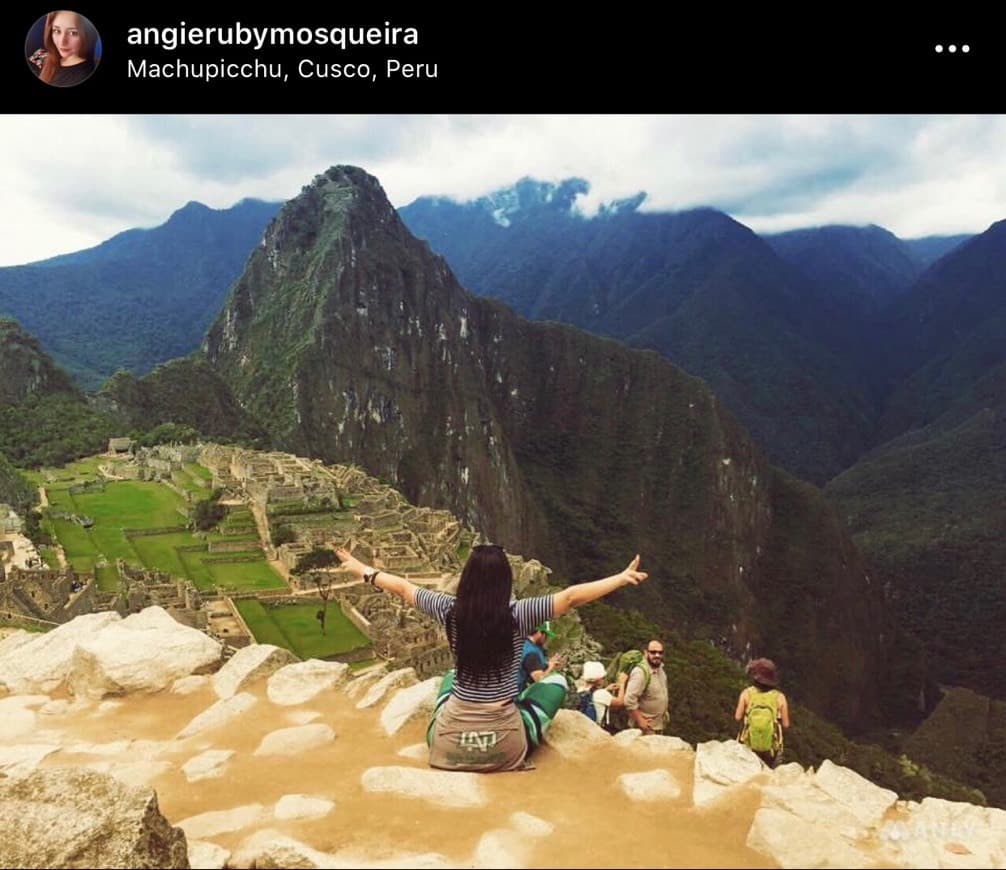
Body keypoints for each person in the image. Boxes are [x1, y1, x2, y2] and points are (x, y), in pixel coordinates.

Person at [335, 544, 648, 772]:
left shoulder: (449, 609)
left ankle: (461, 727)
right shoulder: (518, 615)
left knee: (449, 679)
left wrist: (363, 570)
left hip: (444, 745)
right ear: (505, 581)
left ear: (468, 578)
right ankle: (515, 717)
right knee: (553, 682)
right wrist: (620, 578)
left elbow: (404, 589)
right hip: (506, 747)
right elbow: (570, 597)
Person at [734, 657, 790, 768]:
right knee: (768, 778)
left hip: (748, 745)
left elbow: (737, 717)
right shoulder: (779, 697)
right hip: (771, 750)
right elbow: (786, 724)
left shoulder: (746, 693)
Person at [609, 640, 668, 734]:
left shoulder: (660, 669)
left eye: (660, 652)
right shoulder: (640, 672)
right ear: (645, 652)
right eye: (653, 652)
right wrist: (640, 720)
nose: (657, 655)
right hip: (644, 728)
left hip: (657, 725)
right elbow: (629, 699)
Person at [28, 10, 100, 87]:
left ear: (88, 35)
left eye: (73, 33)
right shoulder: (53, 56)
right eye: (57, 31)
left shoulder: (81, 76)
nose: (62, 42)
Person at [518, 621, 563, 693]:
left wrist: (547, 664)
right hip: (514, 697)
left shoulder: (521, 643)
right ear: (539, 633)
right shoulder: (531, 653)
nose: (546, 638)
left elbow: (530, 667)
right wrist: (551, 667)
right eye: (545, 635)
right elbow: (540, 681)